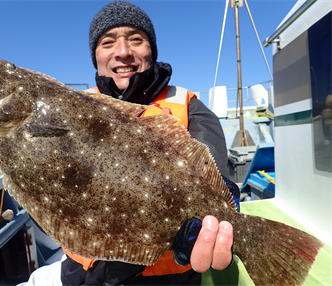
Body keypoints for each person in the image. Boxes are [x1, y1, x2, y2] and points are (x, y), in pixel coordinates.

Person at [22, 1, 234, 285]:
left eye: (136, 39)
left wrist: (217, 224)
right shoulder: (67, 111)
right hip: (80, 274)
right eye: (108, 42)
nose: (123, 52)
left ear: (151, 51)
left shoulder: (188, 106)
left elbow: (218, 177)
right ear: (96, 56)